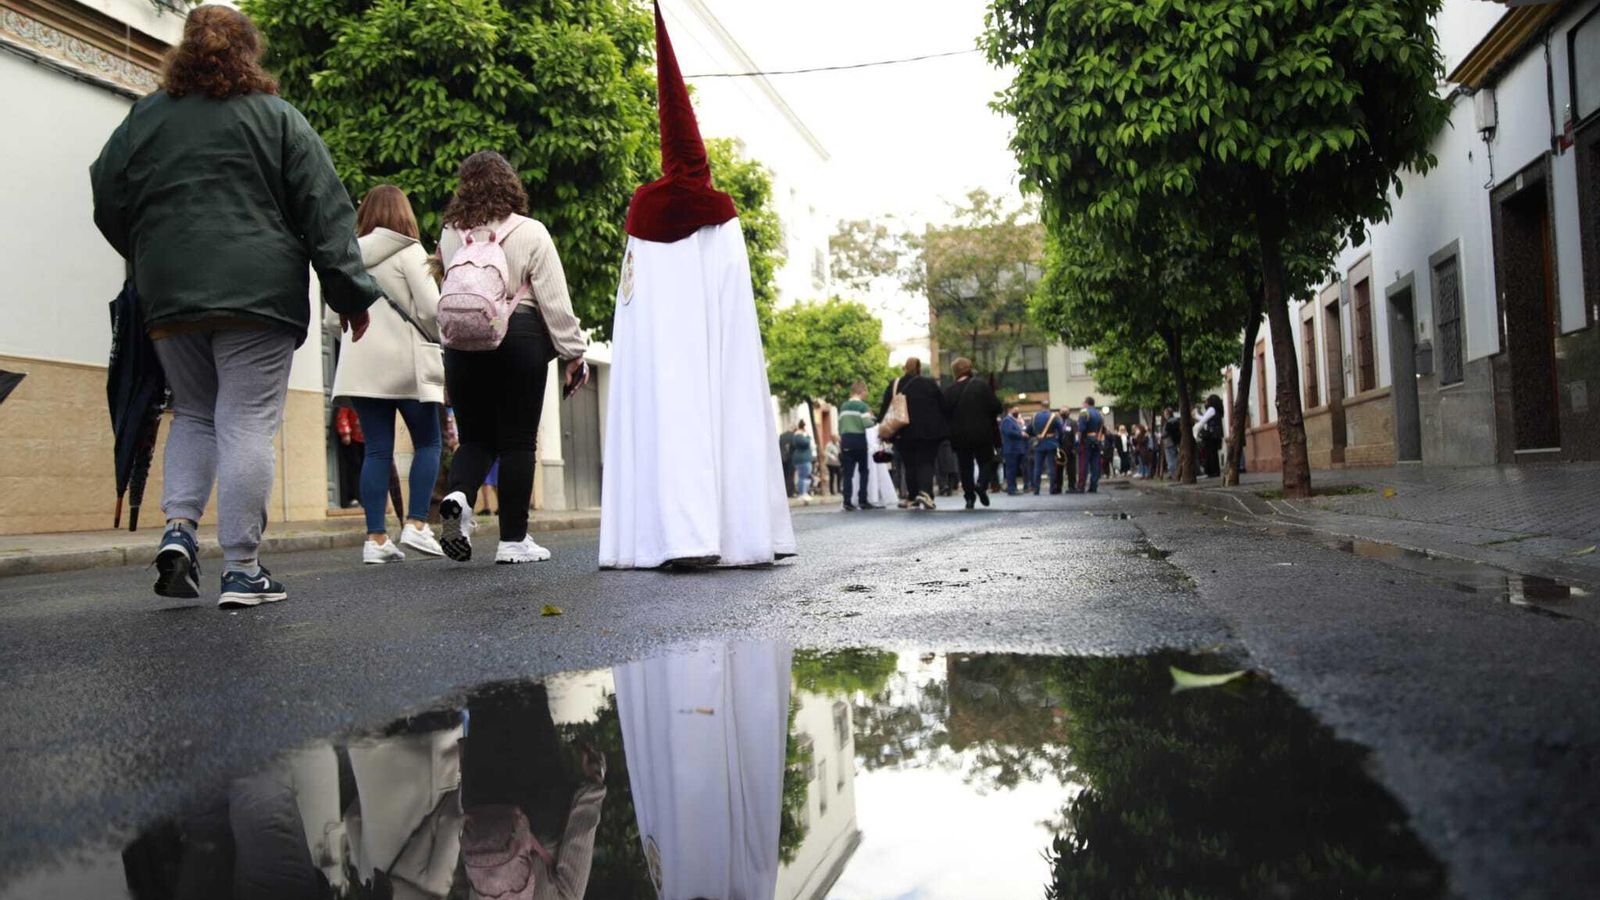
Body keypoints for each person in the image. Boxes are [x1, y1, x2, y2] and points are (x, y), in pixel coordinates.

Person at [91, 5, 381, 608]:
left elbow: (107, 194)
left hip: (169, 294)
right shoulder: (278, 119)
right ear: (248, 54)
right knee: (247, 419)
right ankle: (243, 567)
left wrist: (152, 254)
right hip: (259, 292)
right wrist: (350, 295)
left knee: (194, 413)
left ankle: (179, 532)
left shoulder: (145, 119)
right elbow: (324, 213)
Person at [598, 4, 795, 568]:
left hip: (663, 353)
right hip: (708, 345)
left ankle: (670, 535)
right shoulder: (719, 212)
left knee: (664, 413)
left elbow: (631, 304)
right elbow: (734, 307)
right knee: (724, 405)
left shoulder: (644, 210)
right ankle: (734, 530)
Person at [434, 151, 590, 565]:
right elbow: (555, 302)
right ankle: (513, 540)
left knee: (475, 438)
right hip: (519, 335)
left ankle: (457, 497)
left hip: (463, 345)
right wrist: (574, 354)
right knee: (518, 440)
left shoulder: (451, 233)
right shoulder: (531, 231)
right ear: (510, 185)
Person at [330, 185, 446, 564]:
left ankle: (375, 539)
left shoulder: (347, 256)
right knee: (428, 442)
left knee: (377, 451)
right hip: (406, 364)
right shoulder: (410, 251)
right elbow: (430, 309)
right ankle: (415, 525)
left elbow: (333, 318)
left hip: (363, 364)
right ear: (404, 215)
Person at [878, 358, 948, 509]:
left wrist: (884, 431)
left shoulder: (895, 384)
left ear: (904, 368)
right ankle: (925, 493)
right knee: (926, 462)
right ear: (919, 369)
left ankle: (912, 496)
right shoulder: (929, 383)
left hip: (903, 432)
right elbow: (943, 405)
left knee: (909, 464)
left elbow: (885, 408)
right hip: (929, 432)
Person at [943, 357, 1002, 510]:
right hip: (982, 432)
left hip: (959, 435)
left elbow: (945, 414)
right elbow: (996, 407)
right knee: (987, 461)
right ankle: (981, 484)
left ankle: (969, 498)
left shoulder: (949, 391)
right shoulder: (981, 385)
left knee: (965, 466)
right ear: (969, 368)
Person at [838, 382, 876, 511]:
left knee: (848, 474)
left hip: (845, 441)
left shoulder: (843, 406)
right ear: (861, 391)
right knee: (863, 471)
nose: (866, 395)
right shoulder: (862, 406)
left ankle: (847, 501)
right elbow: (867, 423)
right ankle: (862, 500)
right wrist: (873, 419)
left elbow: (840, 424)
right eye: (866, 392)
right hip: (858, 441)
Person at [1027, 407, 1064, 495]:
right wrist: (1059, 441)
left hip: (1039, 444)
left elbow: (1029, 430)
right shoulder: (1053, 416)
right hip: (1051, 443)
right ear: (1048, 408)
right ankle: (1052, 489)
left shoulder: (1035, 416)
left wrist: (1036, 435)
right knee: (1051, 467)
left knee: (1037, 468)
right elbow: (1061, 431)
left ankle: (1036, 489)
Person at [334, 406, 365, 508]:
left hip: (367, 439)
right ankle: (354, 497)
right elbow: (343, 413)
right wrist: (345, 433)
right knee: (353, 468)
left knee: (366, 469)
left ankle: (365, 497)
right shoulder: (349, 398)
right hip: (353, 439)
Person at [1078, 398, 1106, 493]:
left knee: (1083, 464)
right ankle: (1093, 486)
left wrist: (1080, 441)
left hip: (1086, 441)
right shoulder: (1099, 414)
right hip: (1097, 440)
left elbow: (1081, 429)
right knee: (1095, 465)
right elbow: (1103, 429)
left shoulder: (1084, 412)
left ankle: (1081, 486)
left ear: (1086, 403)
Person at [1000, 408, 1029, 495]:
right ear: (1010, 411)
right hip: (1011, 449)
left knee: (1014, 470)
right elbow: (1009, 432)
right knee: (1011, 470)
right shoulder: (1007, 420)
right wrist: (1021, 434)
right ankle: (1011, 489)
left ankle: (1014, 487)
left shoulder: (1015, 421)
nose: (1017, 411)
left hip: (1016, 449)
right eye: (1015, 409)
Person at [1198, 393, 1226, 478]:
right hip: (1216, 435)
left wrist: (1195, 414)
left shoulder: (1211, 409)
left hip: (1211, 435)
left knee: (1210, 453)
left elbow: (1203, 419)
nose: (1205, 402)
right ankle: (1215, 472)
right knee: (1213, 453)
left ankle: (1211, 472)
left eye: (1207, 400)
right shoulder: (1217, 410)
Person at [790, 422, 815, 504]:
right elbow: (805, 443)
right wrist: (808, 437)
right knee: (803, 477)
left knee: (805, 476)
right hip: (803, 459)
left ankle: (804, 492)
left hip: (803, 458)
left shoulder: (798, 435)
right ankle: (802, 493)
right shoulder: (799, 436)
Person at [1162, 407, 1182, 479]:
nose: (1164, 415)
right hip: (1175, 442)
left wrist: (1161, 435)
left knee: (1171, 460)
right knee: (1174, 458)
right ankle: (1175, 473)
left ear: (1168, 414)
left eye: (1165, 413)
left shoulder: (1169, 422)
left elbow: (1165, 433)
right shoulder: (1176, 420)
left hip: (1169, 442)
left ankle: (1174, 474)